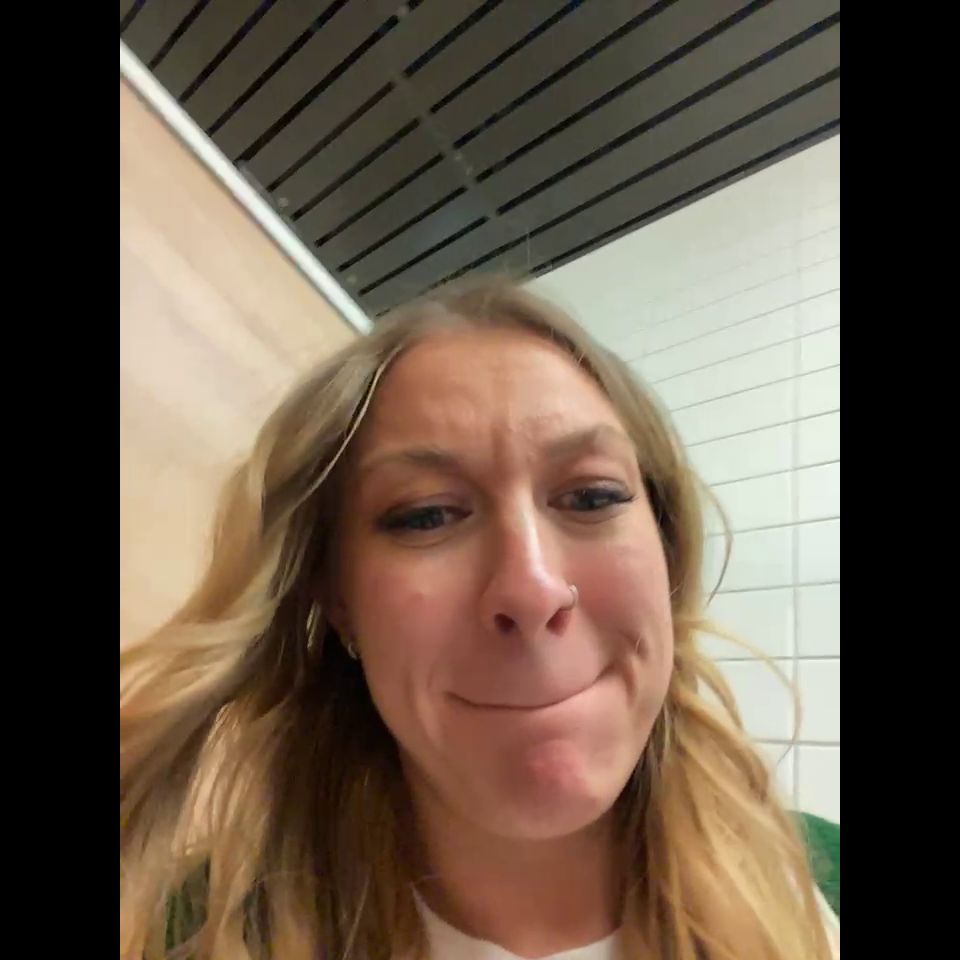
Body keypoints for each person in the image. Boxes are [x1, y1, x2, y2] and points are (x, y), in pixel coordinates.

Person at [120, 280, 839, 959]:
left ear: (668, 549)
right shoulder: (202, 932)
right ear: (336, 599)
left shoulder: (820, 882)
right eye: (426, 515)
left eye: (591, 497)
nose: (531, 588)